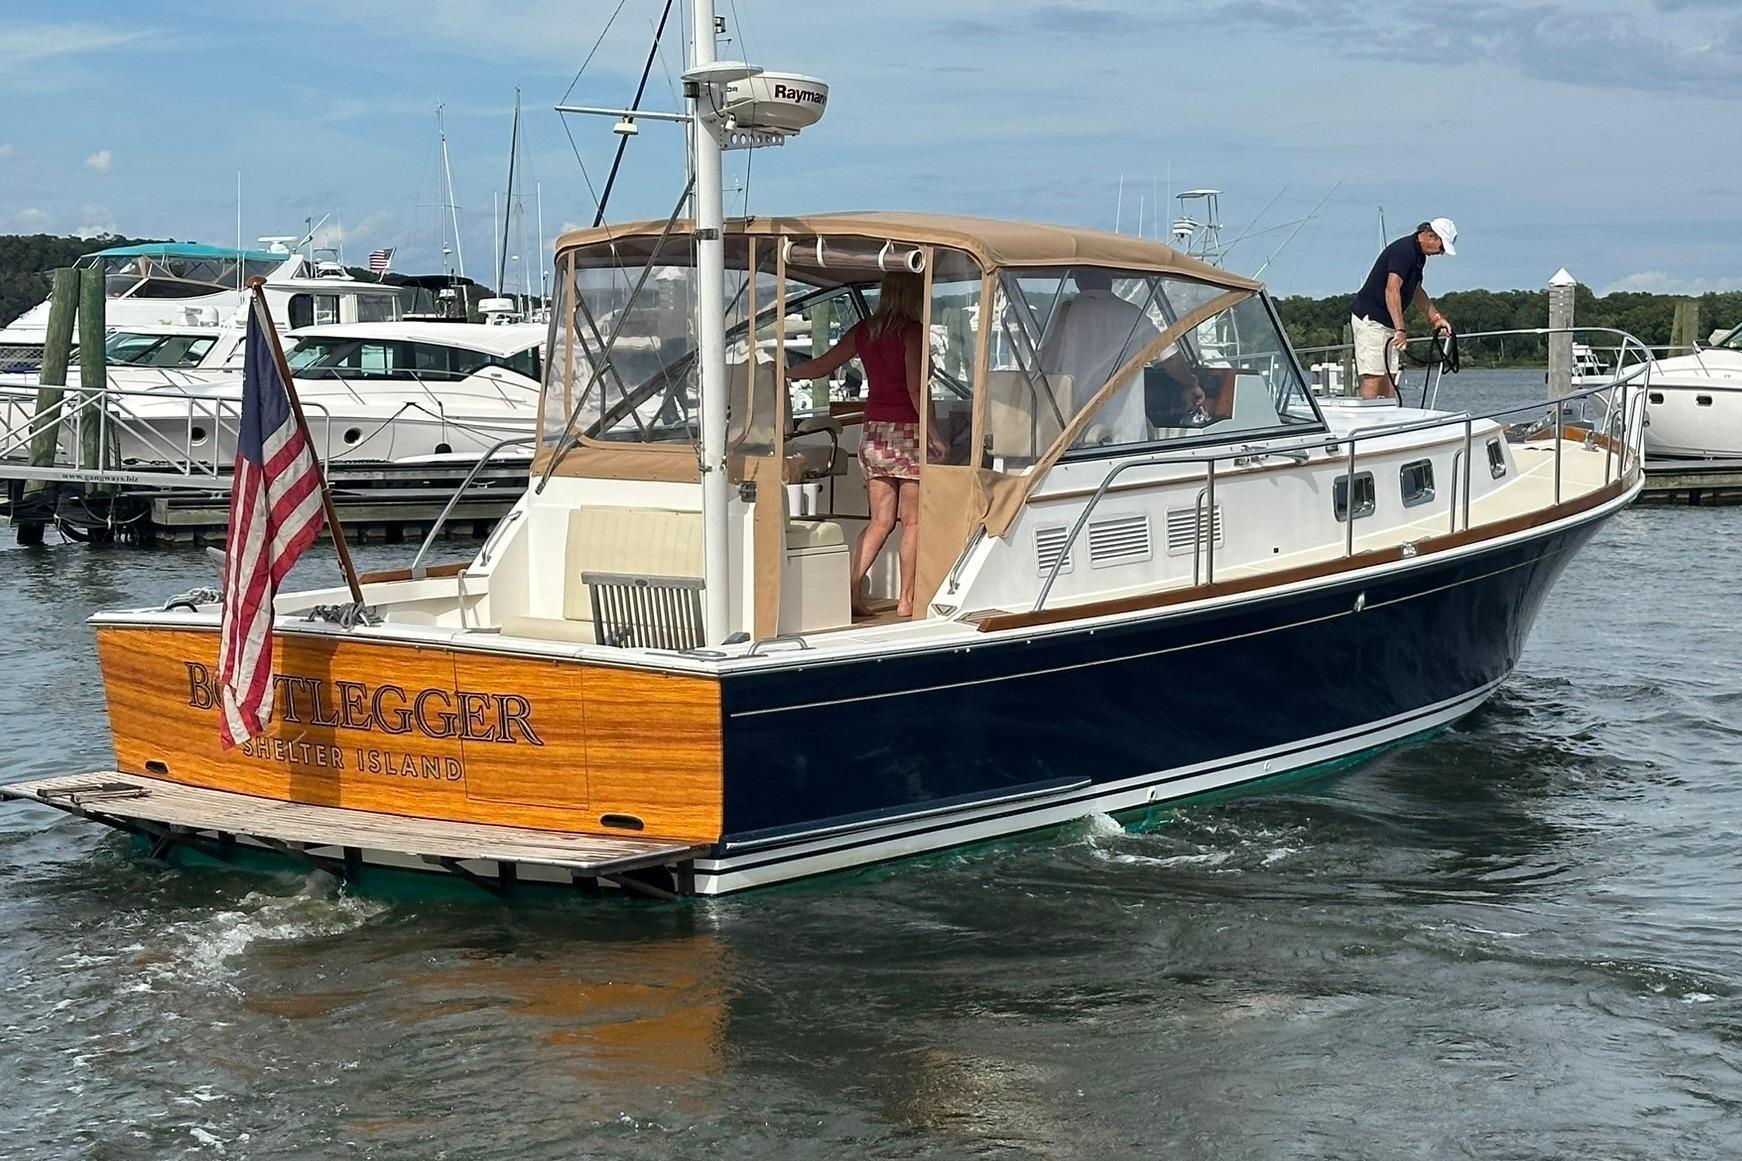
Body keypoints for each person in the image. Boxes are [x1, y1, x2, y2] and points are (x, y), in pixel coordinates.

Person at [787, 272, 944, 619]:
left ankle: (852, 591)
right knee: (913, 521)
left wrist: (783, 374)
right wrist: (932, 433)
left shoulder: (865, 330)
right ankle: (907, 599)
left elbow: (819, 367)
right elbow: (916, 389)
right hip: (906, 433)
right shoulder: (912, 331)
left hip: (873, 434)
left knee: (879, 521)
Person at [1039, 270, 1215, 443]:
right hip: (1123, 438)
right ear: (1109, 278)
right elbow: (1170, 358)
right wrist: (1191, 384)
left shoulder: (1064, 315)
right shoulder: (1133, 314)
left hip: (1069, 432)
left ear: (1078, 279)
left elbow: (1045, 363)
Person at [1349, 217, 1457, 399]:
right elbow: (1392, 288)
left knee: (1389, 376)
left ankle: (1387, 420)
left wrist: (1436, 318)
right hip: (1371, 319)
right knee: (1373, 375)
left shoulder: (1419, 256)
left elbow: (1416, 290)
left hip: (1387, 323)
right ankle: (1368, 422)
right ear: (1431, 236)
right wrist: (1400, 329)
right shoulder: (1404, 251)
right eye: (1441, 247)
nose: (1441, 253)